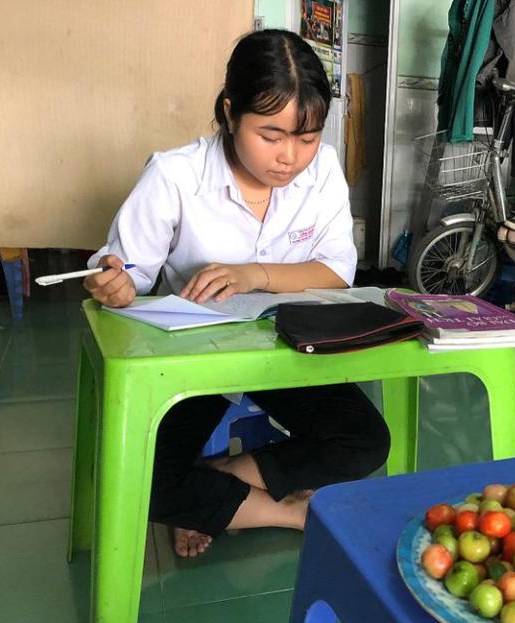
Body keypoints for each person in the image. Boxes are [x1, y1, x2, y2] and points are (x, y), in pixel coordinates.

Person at [84, 30, 390, 558]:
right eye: (270, 135)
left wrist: (255, 274)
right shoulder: (175, 176)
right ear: (230, 112)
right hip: (196, 361)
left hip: (289, 349)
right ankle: (282, 512)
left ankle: (215, 483)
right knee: (137, 479)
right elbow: (127, 271)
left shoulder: (323, 170)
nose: (290, 158)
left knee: (366, 442)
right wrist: (114, 283)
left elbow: (337, 270)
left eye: (307, 137)